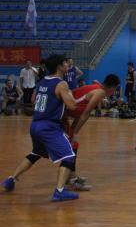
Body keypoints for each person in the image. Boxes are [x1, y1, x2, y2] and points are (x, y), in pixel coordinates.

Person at [2, 55, 80, 202]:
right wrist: (71, 94)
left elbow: (33, 100)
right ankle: (59, 191)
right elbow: (72, 106)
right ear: (59, 66)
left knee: (36, 153)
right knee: (69, 156)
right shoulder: (61, 84)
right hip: (49, 126)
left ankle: (11, 179)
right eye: (65, 62)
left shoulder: (42, 81)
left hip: (35, 125)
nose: (67, 64)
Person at [63, 74, 120, 191]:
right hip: (60, 113)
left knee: (72, 145)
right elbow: (85, 113)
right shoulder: (100, 92)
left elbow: (80, 112)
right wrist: (75, 134)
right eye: (115, 89)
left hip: (64, 112)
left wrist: (73, 131)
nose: (114, 92)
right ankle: (71, 179)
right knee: (71, 146)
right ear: (112, 87)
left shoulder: (98, 87)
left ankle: (70, 176)